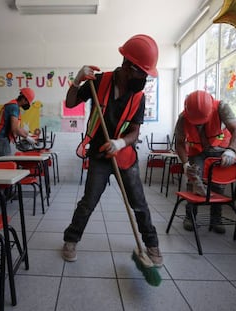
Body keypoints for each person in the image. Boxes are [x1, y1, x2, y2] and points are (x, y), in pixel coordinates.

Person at [62, 34, 163, 267]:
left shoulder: (139, 96)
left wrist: (120, 143)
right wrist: (77, 82)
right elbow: (70, 103)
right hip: (99, 155)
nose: (145, 78)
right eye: (142, 72)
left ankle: (151, 244)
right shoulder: (99, 82)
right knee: (88, 201)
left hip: (125, 155)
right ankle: (71, 240)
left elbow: (135, 132)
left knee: (139, 203)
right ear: (128, 66)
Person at [174, 90, 236, 233]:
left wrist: (232, 150)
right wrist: (185, 163)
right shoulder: (183, 117)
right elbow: (179, 143)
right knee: (193, 180)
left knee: (218, 184)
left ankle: (216, 219)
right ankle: (190, 217)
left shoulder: (221, 107)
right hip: (197, 151)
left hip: (219, 149)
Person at [0, 88, 36, 157]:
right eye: (28, 102)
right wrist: (28, 138)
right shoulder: (14, 107)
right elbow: (15, 129)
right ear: (24, 99)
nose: (27, 105)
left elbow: (15, 127)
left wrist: (28, 134)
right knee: (5, 163)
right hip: (1, 138)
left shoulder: (12, 104)